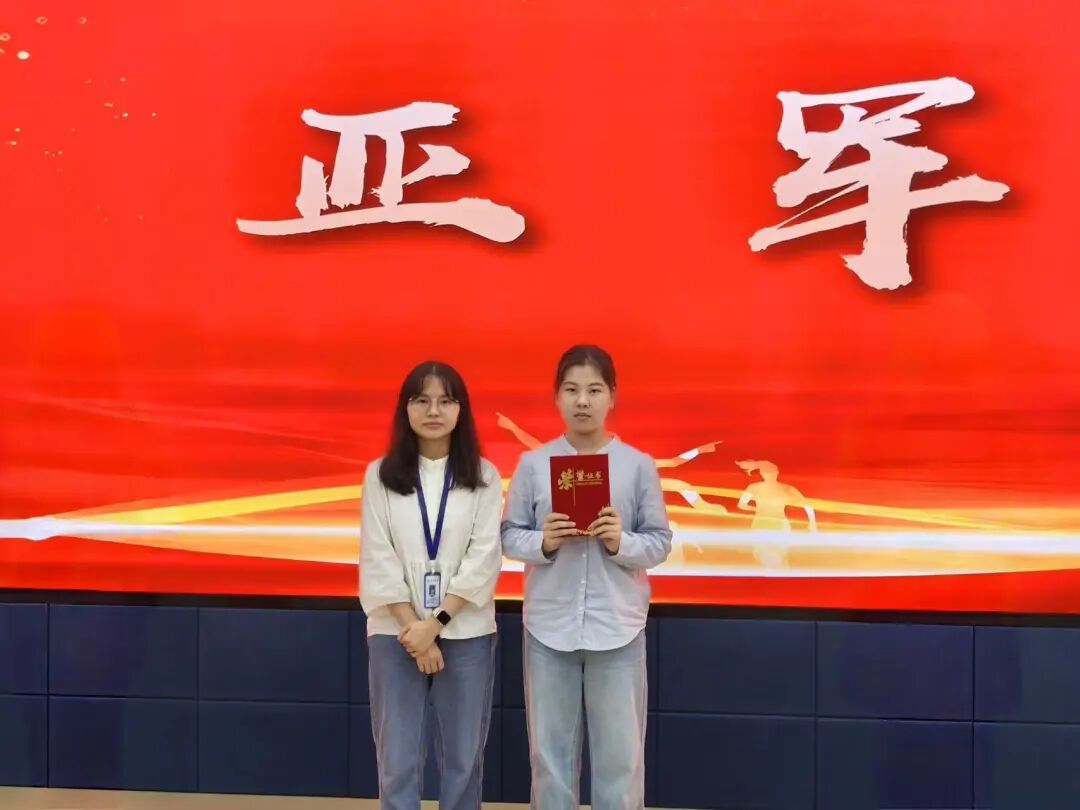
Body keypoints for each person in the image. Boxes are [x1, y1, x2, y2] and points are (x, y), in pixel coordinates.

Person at [501, 345, 672, 810]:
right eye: (572, 390)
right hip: (548, 630)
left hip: (618, 628)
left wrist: (621, 542)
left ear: (612, 396)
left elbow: (659, 542)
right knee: (550, 761)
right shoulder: (534, 465)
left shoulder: (638, 465)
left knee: (620, 762)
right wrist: (543, 542)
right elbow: (508, 536)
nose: (582, 401)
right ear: (556, 397)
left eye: (594, 390)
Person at [360, 361, 503, 810]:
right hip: (396, 633)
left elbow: (484, 557)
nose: (434, 411)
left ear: (461, 409)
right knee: (397, 761)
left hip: (465, 631)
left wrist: (435, 624)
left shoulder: (484, 476)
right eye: (422, 400)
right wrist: (415, 631)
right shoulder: (380, 475)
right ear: (406, 409)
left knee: (463, 759)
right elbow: (378, 556)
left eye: (445, 400)